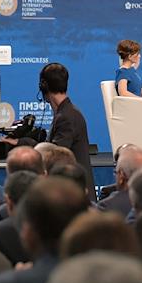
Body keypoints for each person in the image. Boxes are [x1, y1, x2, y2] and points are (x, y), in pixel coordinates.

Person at [40, 62, 96, 202]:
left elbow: (55, 156)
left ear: (43, 86)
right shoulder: (67, 112)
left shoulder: (66, 117)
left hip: (75, 196)